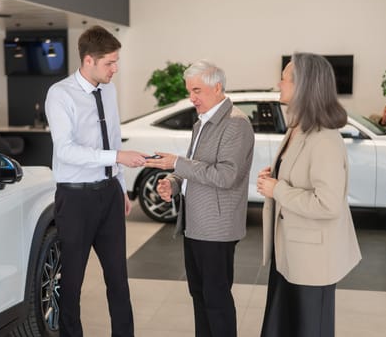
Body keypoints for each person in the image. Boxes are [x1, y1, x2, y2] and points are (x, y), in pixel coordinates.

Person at [45, 25, 147, 337]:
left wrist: (120, 184)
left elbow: (113, 138)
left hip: (109, 194)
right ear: (89, 60)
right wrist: (116, 159)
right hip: (75, 200)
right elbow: (66, 151)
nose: (115, 69)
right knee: (72, 281)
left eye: (116, 62)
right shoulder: (60, 95)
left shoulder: (109, 90)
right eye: (110, 63)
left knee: (118, 278)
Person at [145, 60, 254, 337]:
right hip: (195, 224)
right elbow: (197, 168)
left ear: (217, 88)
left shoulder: (235, 124)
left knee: (215, 299)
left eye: (197, 90)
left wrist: (177, 164)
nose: (191, 98)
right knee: (199, 295)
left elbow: (226, 176)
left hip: (216, 228)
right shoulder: (202, 122)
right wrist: (172, 181)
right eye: (189, 91)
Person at [256, 52, 362, 337]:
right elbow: (296, 176)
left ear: (303, 85)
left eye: (284, 77)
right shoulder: (297, 128)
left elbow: (328, 204)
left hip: (312, 259)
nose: (279, 82)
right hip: (290, 251)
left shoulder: (324, 138)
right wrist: (275, 177)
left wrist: (278, 189)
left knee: (308, 329)